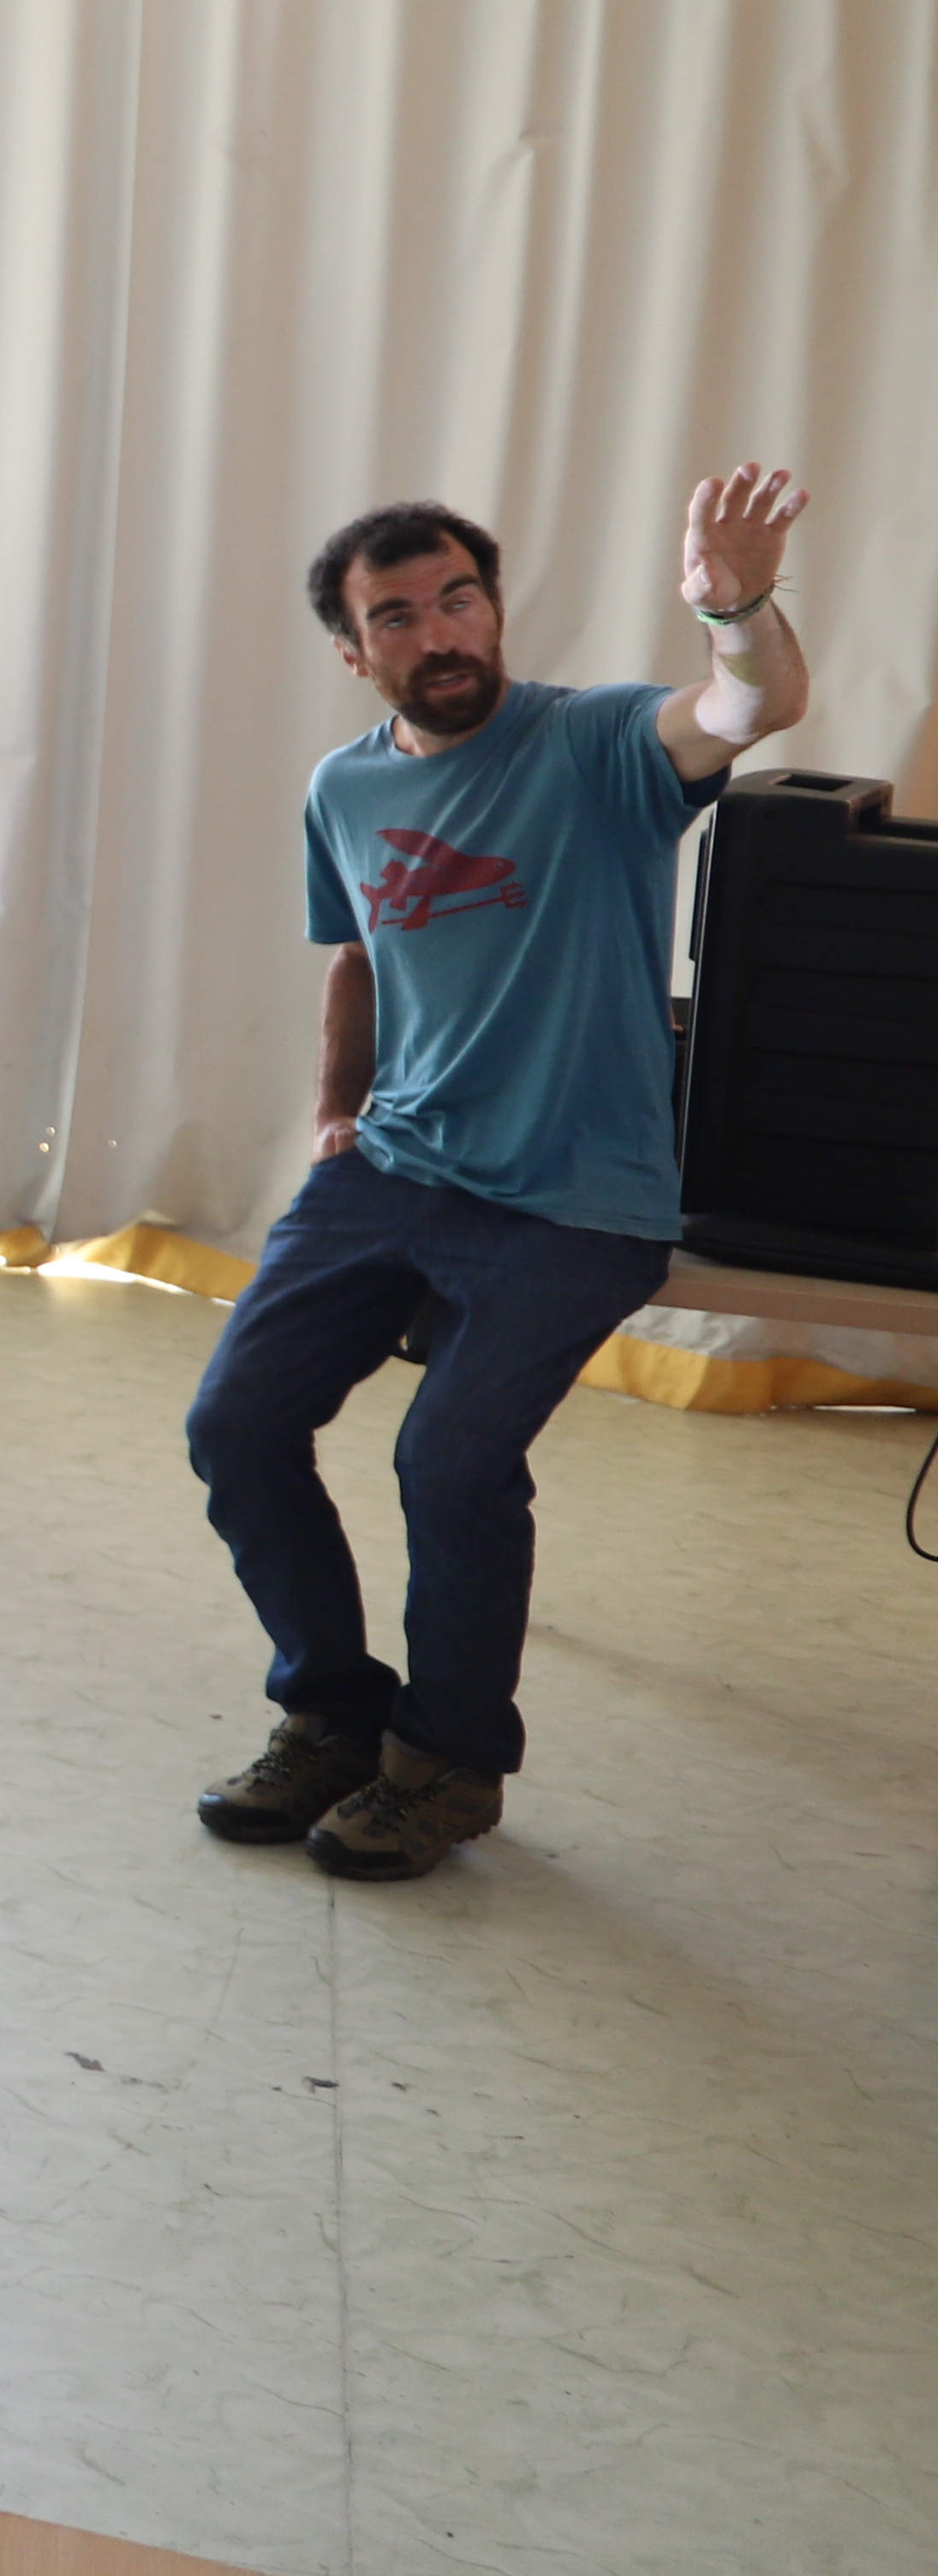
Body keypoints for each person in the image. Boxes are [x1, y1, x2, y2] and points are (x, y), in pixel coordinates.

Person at [186, 471, 814, 1884]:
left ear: (495, 607)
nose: (439, 631)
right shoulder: (341, 787)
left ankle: (449, 1762)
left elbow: (745, 707)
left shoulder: (592, 747)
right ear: (356, 654)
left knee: (451, 1458)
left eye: (458, 598)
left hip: (576, 1194)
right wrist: (335, 1112)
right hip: (395, 1166)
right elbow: (355, 954)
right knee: (235, 1425)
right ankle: (333, 1720)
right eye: (397, 616)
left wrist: (737, 606)